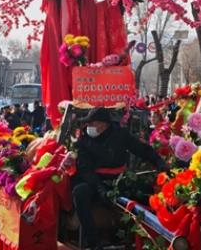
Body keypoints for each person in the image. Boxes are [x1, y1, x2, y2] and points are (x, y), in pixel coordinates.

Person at [72, 107, 168, 249]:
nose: (88, 126)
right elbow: (85, 170)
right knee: (80, 192)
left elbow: (141, 149)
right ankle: (93, 242)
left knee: (147, 191)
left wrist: (159, 162)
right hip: (94, 181)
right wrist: (100, 189)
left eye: (91, 123)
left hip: (120, 180)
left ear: (103, 124)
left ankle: (157, 237)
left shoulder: (120, 134)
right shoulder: (84, 140)